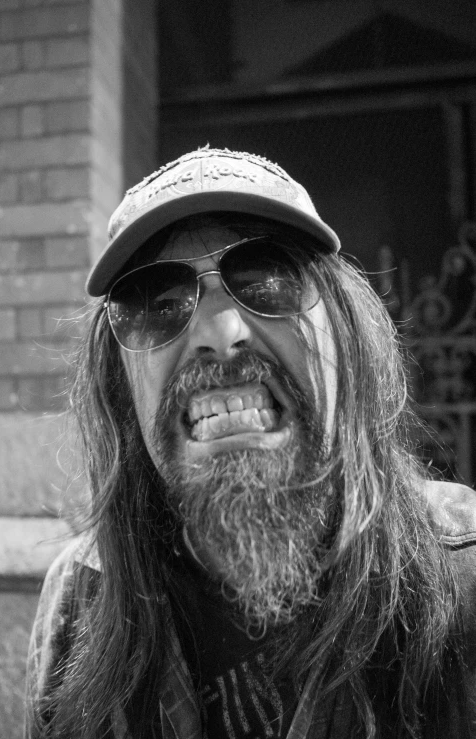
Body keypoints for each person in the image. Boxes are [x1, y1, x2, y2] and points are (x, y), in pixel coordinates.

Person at [25, 147, 476, 739]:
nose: (220, 333)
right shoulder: (81, 596)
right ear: (120, 384)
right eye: (158, 305)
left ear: (345, 333)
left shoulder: (464, 573)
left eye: (267, 278)